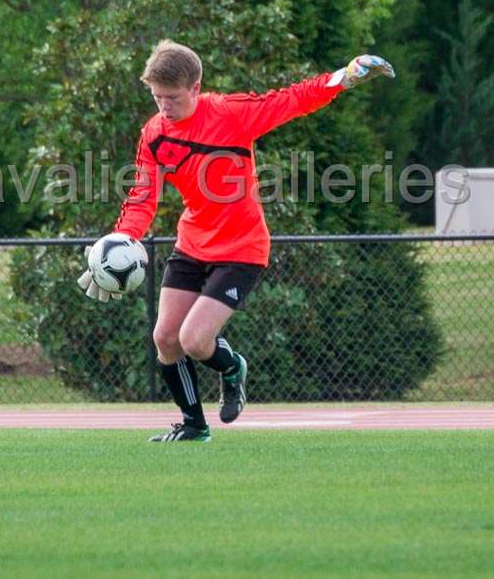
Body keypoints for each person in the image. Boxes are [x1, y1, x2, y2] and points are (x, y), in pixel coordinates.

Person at [78, 39, 394, 441]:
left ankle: (232, 367)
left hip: (242, 248)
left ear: (196, 87)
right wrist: (121, 240)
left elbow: (292, 100)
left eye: (172, 98)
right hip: (192, 244)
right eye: (157, 97)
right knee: (165, 339)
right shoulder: (154, 133)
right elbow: (143, 195)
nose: (164, 107)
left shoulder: (231, 114)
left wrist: (343, 78)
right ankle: (194, 426)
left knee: (194, 340)